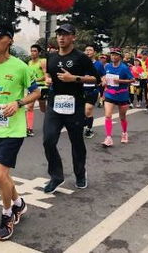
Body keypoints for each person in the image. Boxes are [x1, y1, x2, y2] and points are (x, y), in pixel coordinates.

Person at [0, 24, 41, 241]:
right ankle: (19, 204)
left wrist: (19, 102)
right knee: (4, 176)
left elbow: (37, 92)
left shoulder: (21, 67)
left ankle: (7, 214)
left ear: (9, 41)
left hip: (14, 129)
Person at [43, 24, 100, 194]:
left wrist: (73, 78)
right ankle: (56, 176)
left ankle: (80, 174)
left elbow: (95, 79)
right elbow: (49, 73)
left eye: (66, 34)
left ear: (73, 37)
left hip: (74, 104)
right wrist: (48, 79)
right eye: (59, 34)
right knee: (48, 140)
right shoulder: (51, 57)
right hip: (54, 104)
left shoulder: (81, 57)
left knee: (76, 141)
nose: (61, 38)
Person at [100, 48, 135, 147]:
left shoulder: (124, 68)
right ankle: (108, 138)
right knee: (108, 115)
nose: (113, 56)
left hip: (122, 95)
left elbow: (132, 80)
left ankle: (124, 133)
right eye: (112, 55)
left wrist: (120, 81)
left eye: (115, 55)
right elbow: (104, 76)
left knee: (122, 117)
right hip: (110, 94)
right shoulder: (107, 66)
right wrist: (103, 80)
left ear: (120, 57)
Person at [83, 45, 106, 138]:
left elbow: (103, 75)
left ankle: (89, 129)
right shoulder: (81, 63)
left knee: (88, 109)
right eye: (86, 50)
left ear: (94, 52)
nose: (88, 52)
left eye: (90, 50)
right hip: (81, 90)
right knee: (82, 111)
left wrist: (103, 80)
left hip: (93, 89)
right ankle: (85, 125)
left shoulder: (98, 64)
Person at [26, 44, 47, 137]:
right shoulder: (29, 62)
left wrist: (36, 80)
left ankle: (53, 120)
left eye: (35, 51)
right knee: (29, 107)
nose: (32, 53)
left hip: (42, 87)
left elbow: (46, 75)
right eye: (31, 51)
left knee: (43, 109)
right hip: (32, 87)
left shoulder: (42, 61)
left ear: (39, 52)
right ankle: (29, 128)